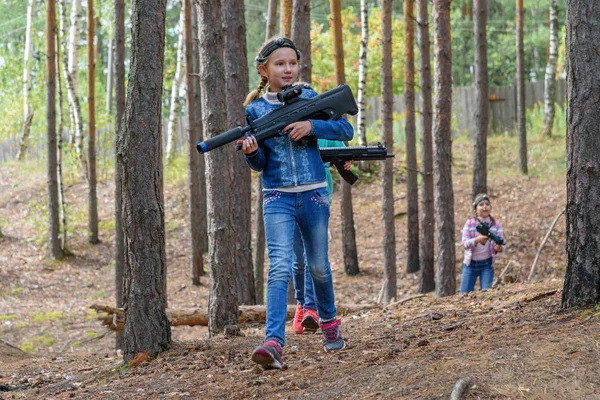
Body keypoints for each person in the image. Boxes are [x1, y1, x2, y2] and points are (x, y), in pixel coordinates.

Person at [237, 37, 353, 370]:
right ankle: (273, 342)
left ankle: (330, 324)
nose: (287, 69)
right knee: (279, 267)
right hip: (277, 196)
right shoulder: (254, 110)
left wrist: (311, 125)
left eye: (292, 63)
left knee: (318, 266)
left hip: (315, 192)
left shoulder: (311, 98)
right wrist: (250, 152)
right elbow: (260, 164)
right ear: (263, 69)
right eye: (279, 64)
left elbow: (345, 128)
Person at [292, 140, 350, 335]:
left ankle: (311, 309)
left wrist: (344, 161)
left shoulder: (323, 126)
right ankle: (301, 303)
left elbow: (341, 151)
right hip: (288, 198)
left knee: (313, 258)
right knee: (298, 260)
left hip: (318, 198)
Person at [460, 193, 506, 294]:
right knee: (464, 295)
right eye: (481, 204)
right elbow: (464, 244)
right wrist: (476, 240)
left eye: (487, 204)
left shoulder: (495, 225)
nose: (484, 206)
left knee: (487, 294)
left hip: (487, 265)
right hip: (470, 264)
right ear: (475, 209)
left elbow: (502, 244)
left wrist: (499, 248)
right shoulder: (470, 223)